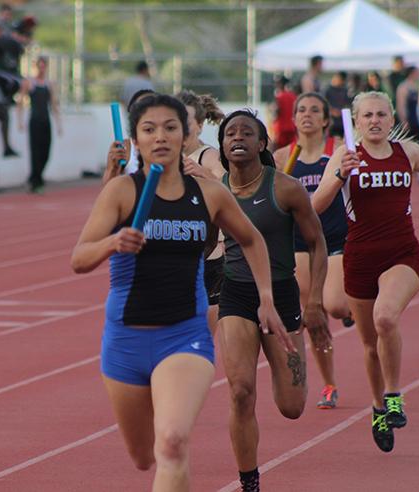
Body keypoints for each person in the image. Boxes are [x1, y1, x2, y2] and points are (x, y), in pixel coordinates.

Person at [71, 94, 295, 491]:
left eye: (170, 127)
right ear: (135, 139)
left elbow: (252, 239)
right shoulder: (123, 192)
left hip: (184, 336)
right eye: (149, 129)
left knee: (173, 443)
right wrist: (113, 243)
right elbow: (80, 258)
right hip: (126, 340)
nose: (160, 136)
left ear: (187, 133)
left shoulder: (208, 194)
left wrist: (265, 297)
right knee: (144, 457)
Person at [312, 91, 419, 453]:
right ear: (356, 122)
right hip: (359, 258)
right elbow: (315, 206)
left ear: (391, 119)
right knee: (369, 345)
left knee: (386, 318)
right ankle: (378, 408)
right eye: (367, 116)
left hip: (402, 254)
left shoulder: (407, 153)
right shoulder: (344, 157)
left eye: (381, 114)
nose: (374, 121)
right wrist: (336, 177)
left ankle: (393, 396)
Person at [217, 109, 329, 491]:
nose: (237, 137)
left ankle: (283, 364)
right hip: (236, 293)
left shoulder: (284, 188)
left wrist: (314, 301)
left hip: (281, 296)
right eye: (230, 132)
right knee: (240, 390)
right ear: (222, 145)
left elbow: (316, 242)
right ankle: (249, 481)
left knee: (292, 407)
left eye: (246, 133)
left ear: (261, 144)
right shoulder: (216, 190)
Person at [273, 92, 352, 411]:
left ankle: (349, 308)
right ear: (293, 119)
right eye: (301, 110)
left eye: (314, 110)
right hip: (296, 242)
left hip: (332, 238)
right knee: (311, 316)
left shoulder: (338, 151)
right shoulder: (282, 157)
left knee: (333, 304)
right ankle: (329, 384)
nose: (306, 114)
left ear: (324, 119)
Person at [176, 89, 225, 335]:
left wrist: (201, 173)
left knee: (201, 338)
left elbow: (229, 189)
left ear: (200, 125)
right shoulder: (163, 159)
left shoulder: (208, 156)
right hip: (176, 256)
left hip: (210, 259)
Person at [17, 56, 62, 194]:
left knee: (46, 151)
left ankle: (35, 177)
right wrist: (20, 120)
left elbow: (54, 104)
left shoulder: (50, 84)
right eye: (39, 66)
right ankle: (36, 181)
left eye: (44, 66)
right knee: (35, 151)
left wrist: (59, 123)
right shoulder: (29, 82)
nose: (41, 69)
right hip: (34, 120)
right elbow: (20, 101)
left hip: (45, 120)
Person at [101, 88, 156, 184]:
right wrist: (112, 169)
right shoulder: (125, 149)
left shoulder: (169, 145)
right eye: (142, 108)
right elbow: (107, 191)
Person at [269, 75, 297, 150]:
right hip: (292, 128)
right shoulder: (293, 96)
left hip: (281, 129)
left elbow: (275, 112)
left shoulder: (279, 97)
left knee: (278, 152)